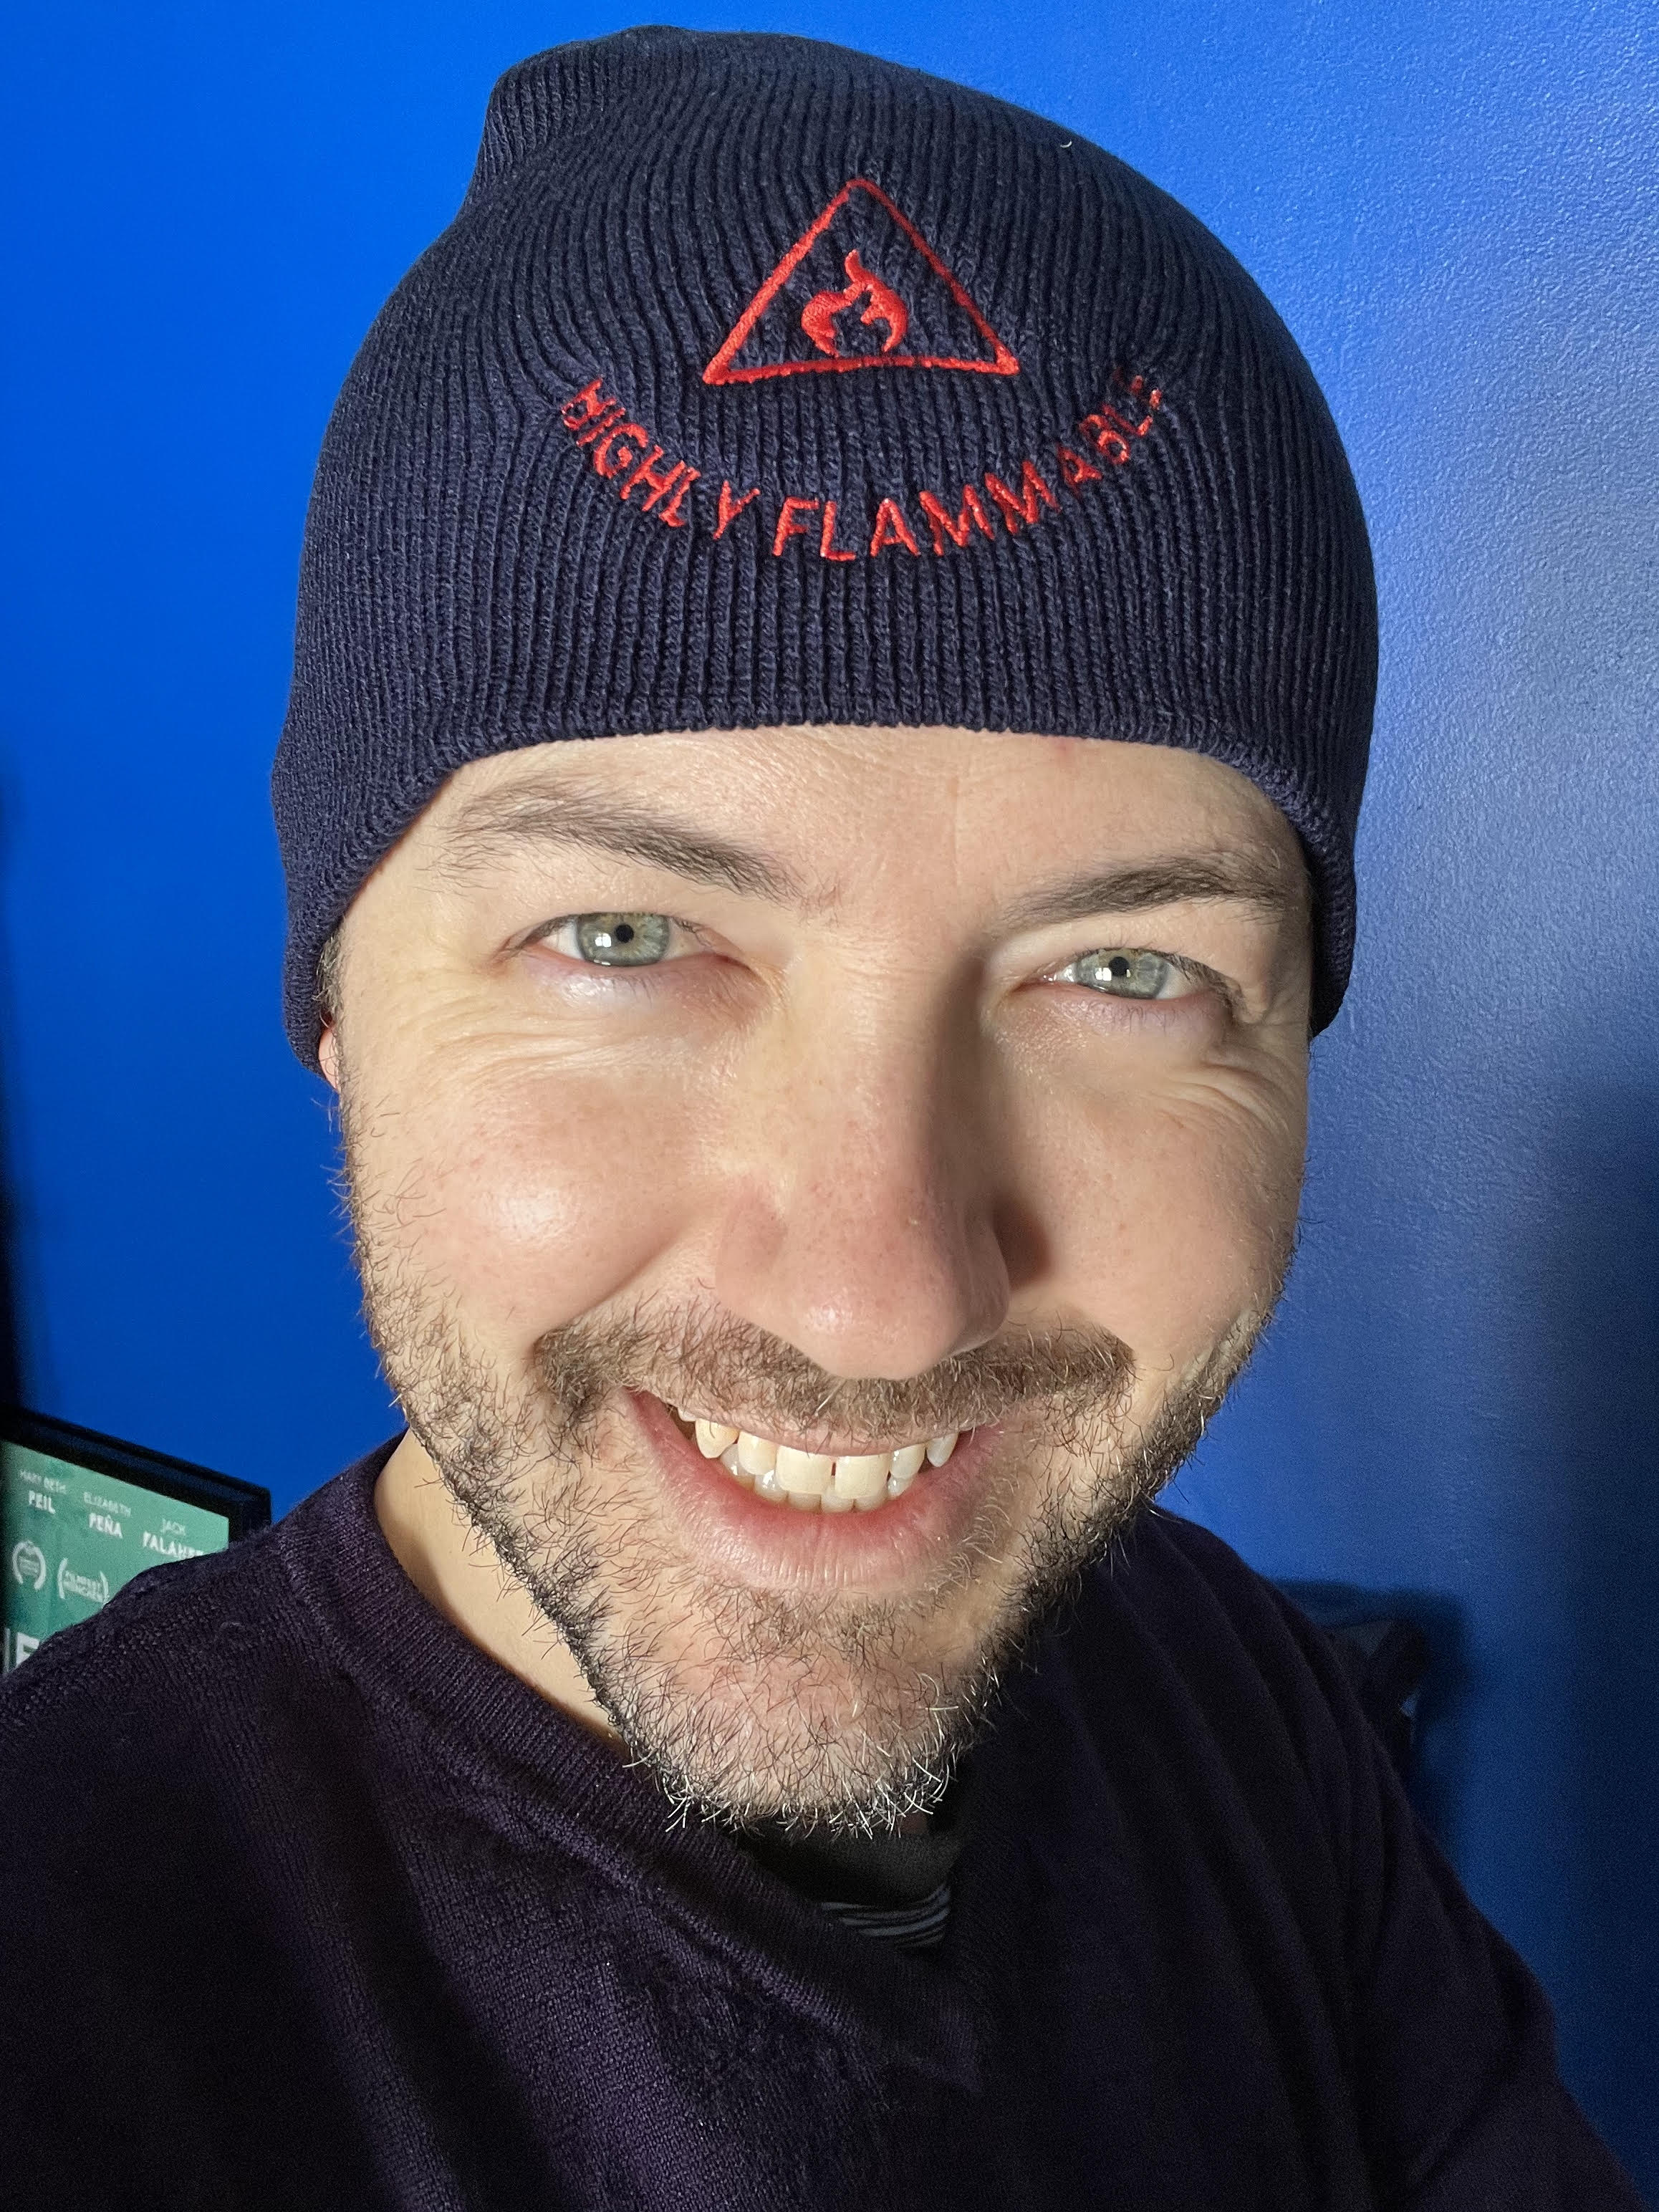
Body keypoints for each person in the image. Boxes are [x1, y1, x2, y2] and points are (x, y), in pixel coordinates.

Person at [0, 27, 1641, 2209]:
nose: (878, 1303)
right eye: (626, 936)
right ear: (336, 1006)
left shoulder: (1231, 1698)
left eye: (1125, 972)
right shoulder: (73, 1988)